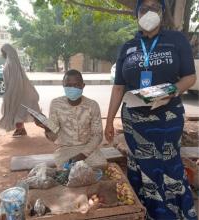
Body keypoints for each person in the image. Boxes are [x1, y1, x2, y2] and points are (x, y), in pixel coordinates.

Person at [105, 0, 197, 219]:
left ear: (162, 12)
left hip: (168, 115)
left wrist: (173, 90)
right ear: (137, 13)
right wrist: (108, 121)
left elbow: (190, 77)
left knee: (167, 163)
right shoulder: (127, 47)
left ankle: (174, 213)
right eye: (143, 8)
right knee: (140, 164)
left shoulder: (176, 41)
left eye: (154, 7)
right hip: (134, 119)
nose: (149, 12)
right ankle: (146, 212)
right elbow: (119, 87)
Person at [35, 69, 103, 167]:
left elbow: (98, 135)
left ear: (83, 86)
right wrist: (46, 127)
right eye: (68, 85)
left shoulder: (92, 105)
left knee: (100, 166)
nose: (72, 88)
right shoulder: (56, 104)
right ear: (63, 85)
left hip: (89, 149)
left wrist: (83, 155)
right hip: (65, 149)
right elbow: (54, 137)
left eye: (76, 85)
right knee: (66, 172)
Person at [0, 44, 40, 137]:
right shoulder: (12, 63)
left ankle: (52, 128)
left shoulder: (11, 64)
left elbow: (15, 81)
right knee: (19, 111)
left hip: (16, 92)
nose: (2, 54)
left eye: (3, 52)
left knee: (22, 112)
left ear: (7, 52)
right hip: (16, 92)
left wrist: (10, 93)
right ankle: (21, 129)